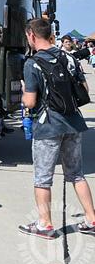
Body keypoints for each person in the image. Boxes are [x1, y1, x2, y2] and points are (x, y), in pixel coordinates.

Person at [18, 18, 95, 239]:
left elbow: (30, 102)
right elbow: (84, 89)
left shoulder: (32, 63)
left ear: (32, 35)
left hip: (48, 125)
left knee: (42, 178)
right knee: (76, 174)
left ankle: (45, 224)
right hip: (73, 123)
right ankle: (91, 218)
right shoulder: (69, 57)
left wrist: (24, 92)